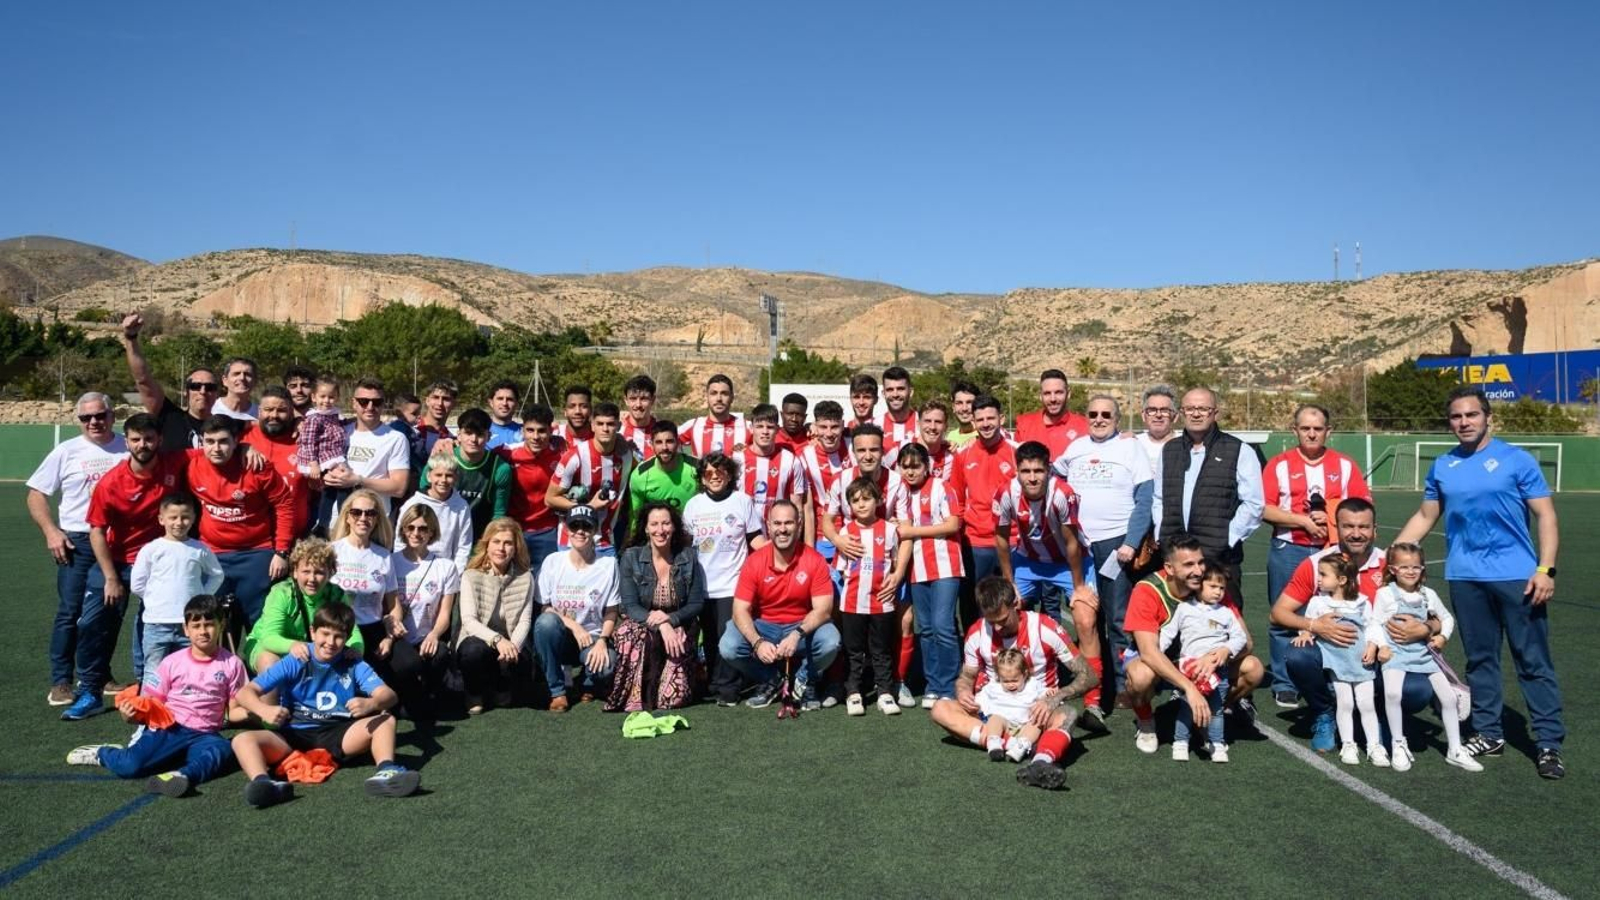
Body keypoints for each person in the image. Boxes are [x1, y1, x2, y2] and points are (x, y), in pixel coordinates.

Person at [1395, 386, 1565, 779]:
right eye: (1456, 417)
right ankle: (1489, 732)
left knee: (1532, 661)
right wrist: (1394, 554)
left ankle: (1548, 742)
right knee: (1481, 660)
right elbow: (1425, 516)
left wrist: (1546, 569)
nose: (1464, 422)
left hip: (1517, 578)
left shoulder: (1516, 460)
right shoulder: (1442, 467)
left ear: (1488, 417)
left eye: (1471, 415)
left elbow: (1546, 516)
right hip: (1465, 577)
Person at [1270, 497, 1438, 754]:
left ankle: (1380, 713)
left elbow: (1434, 614)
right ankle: (1324, 712)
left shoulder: (1389, 566)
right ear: (1336, 528)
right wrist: (1315, 625)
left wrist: (1427, 629)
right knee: (1298, 656)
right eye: (1348, 526)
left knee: (1417, 690)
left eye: (1364, 527)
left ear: (1375, 530)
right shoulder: (1317, 565)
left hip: (1382, 655)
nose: (1357, 534)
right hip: (1331, 652)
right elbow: (1278, 613)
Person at [231, 601, 421, 807]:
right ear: (313, 632)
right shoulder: (297, 658)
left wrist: (372, 702)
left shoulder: (353, 662)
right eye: (325, 634)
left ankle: (386, 771)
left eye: (339, 636)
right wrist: (263, 709)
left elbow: (389, 695)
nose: (331, 642)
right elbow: (245, 693)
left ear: (347, 638)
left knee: (385, 720)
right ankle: (266, 785)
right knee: (242, 740)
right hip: (293, 734)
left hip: (338, 734)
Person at [66, 595, 245, 799]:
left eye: (209, 624)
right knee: (130, 767)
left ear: (221, 625)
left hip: (205, 734)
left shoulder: (232, 664)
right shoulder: (172, 662)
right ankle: (104, 754)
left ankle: (180, 776)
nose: (203, 631)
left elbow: (234, 709)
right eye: (196, 625)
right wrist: (130, 716)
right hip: (170, 729)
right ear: (186, 629)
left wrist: (261, 716)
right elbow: (151, 704)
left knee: (222, 750)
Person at [929, 577, 1095, 790]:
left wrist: (1054, 699)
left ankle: (1040, 762)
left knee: (1069, 715)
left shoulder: (1044, 627)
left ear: (1016, 604)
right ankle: (1014, 745)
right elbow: (967, 677)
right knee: (940, 709)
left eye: (1002, 620)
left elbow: (1089, 676)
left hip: (1037, 712)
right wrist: (962, 691)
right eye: (991, 622)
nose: (997, 628)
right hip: (992, 710)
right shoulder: (977, 632)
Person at [1262, 403, 1371, 708]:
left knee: (1337, 611)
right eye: (1305, 428)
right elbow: (1264, 508)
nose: (1311, 433)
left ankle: (1332, 672)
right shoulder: (1278, 465)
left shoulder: (1345, 465)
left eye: (1318, 428)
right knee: (1284, 615)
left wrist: (1334, 520)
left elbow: (1361, 504)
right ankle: (1285, 682)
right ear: (1294, 430)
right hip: (1289, 547)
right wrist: (1303, 521)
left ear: (1328, 431)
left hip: (1334, 552)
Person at [1053, 393, 1153, 719]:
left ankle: (1123, 684)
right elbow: (1049, 475)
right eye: (1093, 414)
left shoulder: (1131, 447)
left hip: (1115, 545)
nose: (1098, 419)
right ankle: (1093, 684)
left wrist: (1132, 541)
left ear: (1117, 420)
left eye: (1106, 415)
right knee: (1086, 617)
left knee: (1118, 618)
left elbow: (1145, 497)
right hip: (1079, 545)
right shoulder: (1077, 448)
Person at [27, 391, 127, 709]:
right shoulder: (66, 451)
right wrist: (51, 532)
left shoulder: (129, 446)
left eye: (100, 415)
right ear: (79, 420)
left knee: (111, 612)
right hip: (78, 542)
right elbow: (36, 494)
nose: (94, 422)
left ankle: (100, 675)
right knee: (71, 613)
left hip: (119, 543)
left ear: (113, 415)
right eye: (86, 418)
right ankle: (61, 681)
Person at [81, 413, 186, 711]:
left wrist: (246, 449)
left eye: (149, 438)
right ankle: (90, 690)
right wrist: (111, 577)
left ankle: (146, 689)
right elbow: (97, 531)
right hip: (117, 561)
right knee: (93, 622)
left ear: (159, 440)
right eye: (136, 439)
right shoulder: (111, 482)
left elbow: (213, 450)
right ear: (126, 441)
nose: (143, 444)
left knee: (150, 625)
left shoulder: (174, 464)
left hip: (159, 564)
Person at [1122, 534, 1264, 754]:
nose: (1198, 571)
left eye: (1200, 562)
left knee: (1253, 669)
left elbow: (1246, 643)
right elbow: (1150, 653)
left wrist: (1216, 656)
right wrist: (1189, 688)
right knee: (1141, 677)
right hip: (1160, 661)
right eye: (1189, 564)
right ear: (1169, 568)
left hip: (1203, 664)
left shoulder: (1211, 586)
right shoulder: (1147, 590)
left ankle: (1206, 712)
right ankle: (1146, 721)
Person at [720, 500, 840, 710]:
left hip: (802, 627)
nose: (782, 529)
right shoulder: (754, 561)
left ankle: (804, 679)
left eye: (788, 523)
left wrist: (797, 634)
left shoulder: (815, 560)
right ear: (768, 526)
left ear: (799, 524)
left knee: (831, 641)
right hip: (764, 627)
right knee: (729, 646)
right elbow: (739, 610)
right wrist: (757, 643)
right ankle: (771, 680)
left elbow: (824, 610)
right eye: (777, 523)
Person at [1370, 543, 1478, 773]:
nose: (1410, 571)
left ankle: (1455, 749)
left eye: (1416, 567)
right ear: (1393, 569)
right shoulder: (1385, 594)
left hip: (1423, 654)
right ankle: (1398, 743)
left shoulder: (1428, 595)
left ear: (1422, 569)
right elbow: (1375, 623)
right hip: (1395, 653)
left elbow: (1447, 618)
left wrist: (1442, 638)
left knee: (1449, 699)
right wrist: (1381, 647)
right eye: (1404, 566)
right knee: (1392, 693)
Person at [1152, 387, 1263, 607]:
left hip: (1219, 559)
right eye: (1190, 408)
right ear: (1181, 413)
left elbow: (1253, 504)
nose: (1196, 414)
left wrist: (1228, 538)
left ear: (1216, 413)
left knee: (1224, 628)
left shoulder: (1239, 450)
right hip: (1177, 558)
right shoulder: (1169, 450)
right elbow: (1159, 498)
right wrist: (1160, 535)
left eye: (1203, 408)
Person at [185, 415, 295, 630]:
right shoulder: (191, 463)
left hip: (256, 554)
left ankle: (259, 664)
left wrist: (282, 552)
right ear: (202, 442)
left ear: (236, 441)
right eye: (210, 441)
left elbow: (284, 505)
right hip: (212, 554)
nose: (216, 448)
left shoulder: (257, 466)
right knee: (216, 625)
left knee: (260, 626)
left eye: (224, 441)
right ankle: (224, 665)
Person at [683, 452, 766, 706]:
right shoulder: (694, 505)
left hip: (733, 583)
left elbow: (755, 540)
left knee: (727, 635)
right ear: (702, 478)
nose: (715, 477)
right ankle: (714, 683)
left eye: (720, 472)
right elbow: (686, 545)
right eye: (709, 473)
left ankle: (728, 688)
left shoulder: (742, 501)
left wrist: (778, 558)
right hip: (703, 585)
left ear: (730, 475)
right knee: (709, 637)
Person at [607, 503, 707, 712]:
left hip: (681, 626)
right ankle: (633, 696)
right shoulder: (631, 557)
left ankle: (686, 672)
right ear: (645, 528)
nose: (660, 530)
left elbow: (696, 604)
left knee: (670, 700)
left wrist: (672, 620)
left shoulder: (688, 557)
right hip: (645, 625)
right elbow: (629, 606)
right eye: (654, 524)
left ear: (674, 527)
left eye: (665, 524)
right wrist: (662, 624)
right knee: (626, 631)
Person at [1292, 553, 1387, 767]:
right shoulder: (1318, 602)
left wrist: (1372, 646)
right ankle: (1348, 744)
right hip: (1337, 661)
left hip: (1361, 659)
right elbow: (1309, 624)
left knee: (1366, 703)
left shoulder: (1361, 602)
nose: (1318, 579)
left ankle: (1374, 746)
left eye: (1324, 575)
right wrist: (1306, 633)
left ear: (1342, 580)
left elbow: (1372, 626)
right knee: (1345, 703)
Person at [892, 442, 964, 709]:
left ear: (927, 466)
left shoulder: (942, 487)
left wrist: (911, 531)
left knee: (943, 625)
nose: (910, 472)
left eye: (916, 466)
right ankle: (933, 685)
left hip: (946, 565)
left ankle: (950, 685)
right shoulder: (899, 492)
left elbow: (953, 523)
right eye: (905, 466)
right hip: (916, 567)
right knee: (926, 629)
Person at [1159, 561, 1249, 763]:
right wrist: (1157, 652)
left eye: (1222, 588)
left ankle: (1216, 744)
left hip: (1219, 672)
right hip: (1191, 671)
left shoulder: (1225, 613)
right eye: (1213, 586)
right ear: (1199, 585)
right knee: (1186, 707)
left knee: (1216, 709)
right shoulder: (1184, 609)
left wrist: (1227, 649)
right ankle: (1180, 742)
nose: (1218, 592)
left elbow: (1240, 638)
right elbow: (1168, 633)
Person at [532, 506, 620, 711]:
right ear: (566, 529)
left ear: (596, 530)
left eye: (586, 526)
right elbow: (545, 606)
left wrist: (603, 641)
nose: (580, 531)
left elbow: (612, 611)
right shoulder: (553, 562)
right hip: (561, 636)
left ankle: (586, 681)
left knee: (607, 667)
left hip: (592, 640)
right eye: (574, 525)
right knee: (545, 623)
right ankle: (557, 691)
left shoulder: (608, 564)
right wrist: (573, 625)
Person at [128, 494, 224, 679]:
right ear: (161, 519)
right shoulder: (151, 549)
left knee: (188, 669)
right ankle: (151, 707)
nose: (179, 522)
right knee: (153, 671)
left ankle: (184, 707)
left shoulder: (200, 549)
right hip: (156, 623)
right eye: (173, 517)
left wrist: (201, 598)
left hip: (189, 624)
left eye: (185, 517)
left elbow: (217, 575)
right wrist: (154, 600)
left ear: (194, 519)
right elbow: (137, 584)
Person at [836, 477, 910, 717]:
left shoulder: (889, 530)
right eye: (855, 500)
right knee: (854, 650)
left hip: (882, 602)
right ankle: (853, 692)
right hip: (852, 603)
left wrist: (894, 577)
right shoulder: (846, 531)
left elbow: (896, 563)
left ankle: (885, 692)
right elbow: (841, 567)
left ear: (878, 500)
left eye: (866, 499)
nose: (861, 504)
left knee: (880, 650)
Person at [992, 441, 1085, 627]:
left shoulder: (1063, 493)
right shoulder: (1005, 493)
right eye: (1025, 471)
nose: (1032, 478)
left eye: (1038, 471)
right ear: (1017, 471)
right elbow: (1001, 539)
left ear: (1049, 470)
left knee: (1085, 616)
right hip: (1029, 560)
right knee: (1008, 610)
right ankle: (1021, 656)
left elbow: (1072, 543)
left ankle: (1085, 657)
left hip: (1065, 562)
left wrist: (1079, 587)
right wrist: (1010, 584)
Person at [382, 504, 459, 720]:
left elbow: (445, 613)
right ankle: (403, 696)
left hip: (426, 635)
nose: (416, 533)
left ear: (432, 532)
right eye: (411, 527)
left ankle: (428, 693)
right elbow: (384, 605)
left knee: (440, 653)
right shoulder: (391, 561)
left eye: (423, 528)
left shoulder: (445, 567)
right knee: (407, 665)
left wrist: (435, 635)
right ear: (403, 530)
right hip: (398, 635)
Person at [243, 538, 362, 676]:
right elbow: (269, 638)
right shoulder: (282, 593)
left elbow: (352, 631)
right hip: (267, 646)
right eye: (306, 571)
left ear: (330, 573)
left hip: (311, 649)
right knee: (271, 664)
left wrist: (356, 649)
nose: (312, 579)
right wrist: (293, 645)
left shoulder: (336, 595)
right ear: (294, 571)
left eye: (319, 573)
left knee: (348, 660)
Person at [455, 517, 537, 715]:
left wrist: (513, 646)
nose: (501, 548)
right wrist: (497, 640)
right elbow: (468, 620)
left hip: (510, 643)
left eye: (508, 543)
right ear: (487, 545)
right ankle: (473, 693)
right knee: (472, 652)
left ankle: (502, 686)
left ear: (516, 547)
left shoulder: (526, 577)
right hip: (481, 639)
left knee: (524, 664)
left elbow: (525, 621)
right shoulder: (471, 575)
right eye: (496, 542)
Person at [546, 401, 632, 557]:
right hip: (571, 541)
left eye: (610, 424)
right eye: (600, 424)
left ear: (619, 426)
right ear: (592, 425)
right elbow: (550, 498)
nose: (605, 429)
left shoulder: (626, 455)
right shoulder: (575, 456)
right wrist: (589, 507)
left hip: (606, 543)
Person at [118, 312, 213, 451]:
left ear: (217, 393)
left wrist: (246, 448)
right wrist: (131, 338)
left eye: (210, 387)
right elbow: (143, 379)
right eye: (196, 386)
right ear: (186, 392)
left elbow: (253, 427)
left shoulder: (227, 425)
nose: (203, 391)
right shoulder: (170, 417)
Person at [949, 395, 1015, 590]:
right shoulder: (963, 455)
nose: (986, 424)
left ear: (1001, 419)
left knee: (1013, 602)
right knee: (975, 603)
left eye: (991, 418)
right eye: (980, 419)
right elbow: (958, 499)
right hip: (976, 542)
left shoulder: (1016, 452)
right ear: (973, 422)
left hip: (1011, 540)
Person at [329, 488, 400, 657]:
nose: (363, 518)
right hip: (339, 629)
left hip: (374, 628)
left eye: (370, 513)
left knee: (408, 665)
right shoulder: (331, 551)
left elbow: (394, 605)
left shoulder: (384, 556)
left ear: (377, 520)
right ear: (347, 517)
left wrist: (390, 637)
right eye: (356, 512)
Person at [325, 378, 410, 516]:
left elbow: (399, 488)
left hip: (372, 520)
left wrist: (358, 481)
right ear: (353, 403)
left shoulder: (395, 438)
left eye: (377, 402)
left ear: (383, 404)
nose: (370, 407)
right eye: (363, 401)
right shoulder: (339, 431)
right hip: (336, 519)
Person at [424, 408, 511, 537]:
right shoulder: (442, 457)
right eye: (468, 433)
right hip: (439, 535)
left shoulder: (499, 468)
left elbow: (498, 513)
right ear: (459, 435)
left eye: (480, 434)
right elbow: (423, 496)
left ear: (489, 436)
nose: (473, 439)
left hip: (478, 537)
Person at [238, 387, 312, 540]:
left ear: (292, 412)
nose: (274, 415)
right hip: (251, 541)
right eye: (268, 409)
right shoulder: (240, 437)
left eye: (281, 410)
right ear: (259, 411)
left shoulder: (304, 439)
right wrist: (242, 446)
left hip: (295, 537)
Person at [502, 403, 563, 566]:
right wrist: (449, 444)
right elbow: (476, 456)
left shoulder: (562, 455)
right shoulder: (508, 453)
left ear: (551, 431)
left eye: (542, 431)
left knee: (544, 585)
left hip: (547, 532)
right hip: (515, 530)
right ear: (522, 431)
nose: (535, 436)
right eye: (530, 430)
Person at [393, 452, 474, 571]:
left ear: (456, 477)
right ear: (429, 476)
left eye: (449, 475)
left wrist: (456, 576)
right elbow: (400, 540)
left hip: (444, 571)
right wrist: (401, 568)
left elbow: (463, 546)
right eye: (438, 475)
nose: (443, 480)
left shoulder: (461, 506)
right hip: (413, 568)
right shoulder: (412, 504)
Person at [739, 403, 807, 532]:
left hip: (778, 535)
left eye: (770, 427)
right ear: (751, 428)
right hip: (743, 536)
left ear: (777, 429)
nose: (765, 432)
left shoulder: (791, 461)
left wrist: (794, 539)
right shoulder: (737, 459)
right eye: (759, 426)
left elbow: (797, 507)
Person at [625, 420, 699, 536]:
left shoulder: (697, 469)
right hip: (659, 536)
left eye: (669, 441)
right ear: (652, 444)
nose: (664, 447)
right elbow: (636, 520)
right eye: (659, 442)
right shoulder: (640, 476)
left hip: (691, 535)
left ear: (678, 442)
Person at [796, 400, 852, 554]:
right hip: (822, 537)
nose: (828, 433)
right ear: (815, 426)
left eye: (834, 427)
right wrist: (809, 550)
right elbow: (807, 508)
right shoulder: (803, 457)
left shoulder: (855, 448)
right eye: (823, 427)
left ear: (842, 425)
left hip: (855, 534)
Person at [297, 374, 351, 532]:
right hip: (324, 457)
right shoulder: (314, 418)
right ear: (313, 397)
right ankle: (337, 520)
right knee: (342, 485)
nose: (326, 401)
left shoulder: (333, 415)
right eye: (322, 397)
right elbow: (308, 441)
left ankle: (325, 523)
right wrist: (313, 464)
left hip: (333, 454)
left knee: (331, 490)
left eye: (331, 397)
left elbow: (340, 426)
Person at [976, 648, 1046, 762]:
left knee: (1037, 723)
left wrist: (1049, 694)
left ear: (1025, 674)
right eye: (1006, 681)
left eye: (1015, 680)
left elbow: (1044, 694)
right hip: (1004, 726)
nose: (1010, 685)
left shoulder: (1032, 684)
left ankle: (1020, 747)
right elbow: (980, 698)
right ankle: (994, 743)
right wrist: (976, 705)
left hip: (1024, 726)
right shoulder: (993, 686)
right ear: (999, 677)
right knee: (995, 719)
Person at [1014, 368, 1090, 459]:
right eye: (1047, 393)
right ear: (1040, 396)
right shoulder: (1024, 425)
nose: (1053, 399)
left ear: (1068, 394)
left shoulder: (1085, 426)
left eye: (1058, 392)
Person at [679, 374, 748, 457]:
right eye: (713, 393)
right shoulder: (693, 425)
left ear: (732, 397)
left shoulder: (747, 427)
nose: (719, 398)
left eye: (724, 393)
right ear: (707, 397)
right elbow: (663, 442)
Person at [877, 366, 918, 466]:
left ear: (911, 392)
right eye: (890, 390)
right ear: (883, 394)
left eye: (900, 389)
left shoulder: (924, 424)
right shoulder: (874, 425)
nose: (895, 394)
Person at [1133, 385, 1178, 474]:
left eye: (1164, 410)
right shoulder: (1133, 443)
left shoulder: (1187, 444)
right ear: (1143, 416)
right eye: (1152, 410)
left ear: (1175, 417)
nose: (1158, 415)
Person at [915, 398, 957, 480]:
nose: (932, 427)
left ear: (946, 426)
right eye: (927, 421)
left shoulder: (952, 457)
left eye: (938, 422)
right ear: (918, 424)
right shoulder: (899, 449)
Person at [618, 374, 658, 458]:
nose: (638, 404)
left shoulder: (663, 433)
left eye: (644, 399)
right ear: (626, 400)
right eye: (633, 398)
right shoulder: (617, 432)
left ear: (653, 400)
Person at [212, 356, 259, 421]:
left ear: (255, 381)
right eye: (236, 374)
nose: (242, 378)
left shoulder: (261, 415)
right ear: (225, 380)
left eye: (247, 374)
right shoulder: (211, 409)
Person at [485, 380, 523, 450]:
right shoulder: (480, 431)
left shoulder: (527, 432)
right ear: (491, 402)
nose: (504, 403)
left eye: (509, 399)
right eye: (500, 399)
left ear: (516, 404)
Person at [946, 380, 979, 447]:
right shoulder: (950, 437)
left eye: (969, 402)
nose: (964, 408)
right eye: (959, 403)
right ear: (953, 407)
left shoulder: (988, 436)